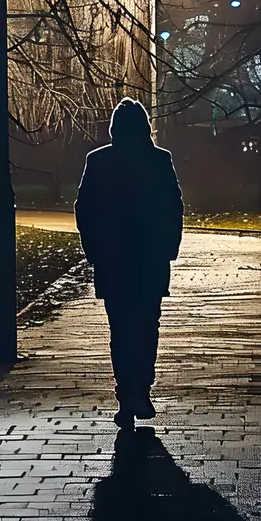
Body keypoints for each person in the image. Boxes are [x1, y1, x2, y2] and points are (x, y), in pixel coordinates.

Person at [75, 97, 184, 428]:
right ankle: (142, 391)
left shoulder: (98, 161)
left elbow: (84, 208)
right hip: (149, 258)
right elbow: (174, 206)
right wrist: (169, 247)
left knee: (120, 328)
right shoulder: (159, 160)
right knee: (148, 325)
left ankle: (126, 395)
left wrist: (93, 250)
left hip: (113, 260)